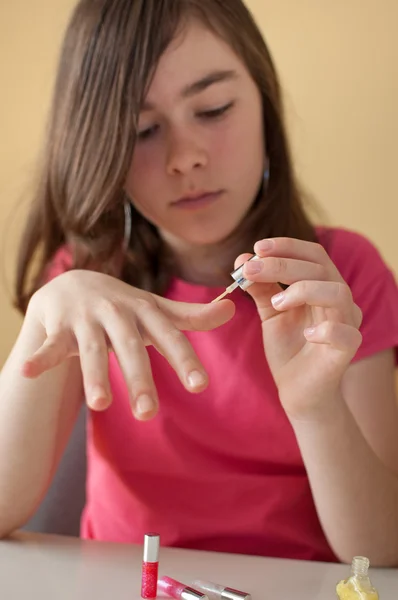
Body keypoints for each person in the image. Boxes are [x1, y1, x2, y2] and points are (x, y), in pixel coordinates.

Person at [1, 0, 398, 566]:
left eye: (212, 109)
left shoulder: (344, 278)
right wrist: (46, 311)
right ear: (100, 147)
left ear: (265, 100)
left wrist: (317, 409)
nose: (186, 158)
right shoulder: (83, 286)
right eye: (142, 130)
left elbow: (381, 550)